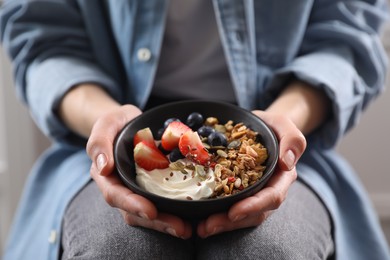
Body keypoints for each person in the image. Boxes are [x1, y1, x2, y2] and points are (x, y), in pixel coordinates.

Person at [1, 0, 389, 259]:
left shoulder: (247, 143)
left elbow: (346, 39)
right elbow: (45, 42)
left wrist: (279, 125)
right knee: (118, 250)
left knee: (266, 251)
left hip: (276, 123)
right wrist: (109, 123)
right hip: (111, 128)